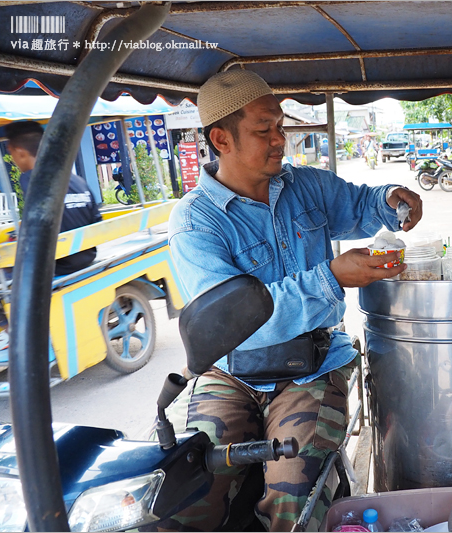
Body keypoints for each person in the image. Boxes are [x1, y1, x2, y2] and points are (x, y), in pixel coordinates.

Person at [157, 70, 422, 532]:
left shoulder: (306, 186)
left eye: (281, 127)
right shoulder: (194, 223)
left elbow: (362, 205)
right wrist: (331, 277)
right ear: (222, 139)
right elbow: (235, 324)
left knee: (293, 494)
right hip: (230, 371)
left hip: (313, 365)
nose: (280, 140)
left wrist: (392, 200)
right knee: (186, 489)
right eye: (265, 130)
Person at [5, 121, 102, 276]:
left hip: (58, 264)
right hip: (86, 256)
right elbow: (96, 219)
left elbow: (39, 224)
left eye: (12, 154)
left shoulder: (31, 178)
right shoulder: (77, 180)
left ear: (20, 152)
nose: (14, 161)